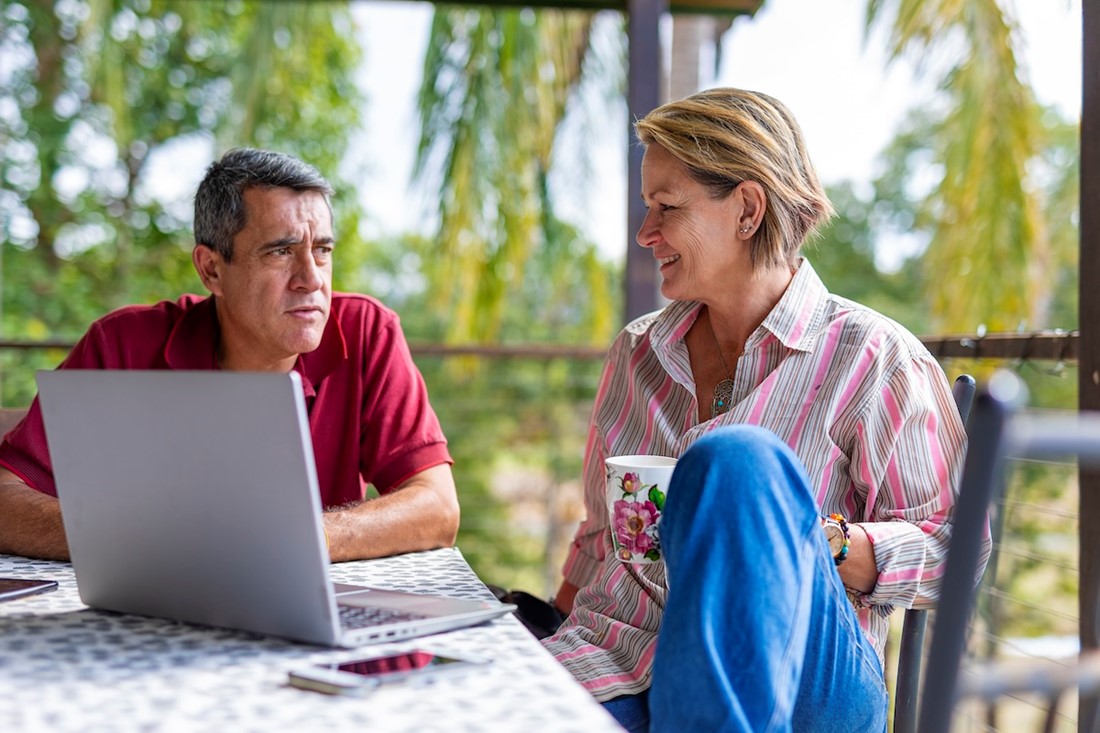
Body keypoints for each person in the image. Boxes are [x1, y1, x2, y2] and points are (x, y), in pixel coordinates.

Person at [542, 88, 984, 732]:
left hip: (806, 679)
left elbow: (957, 550)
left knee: (736, 462)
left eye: (666, 207)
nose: (645, 233)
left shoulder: (874, 358)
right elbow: (599, 542)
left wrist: (813, 537)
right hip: (619, 660)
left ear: (747, 209)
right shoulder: (636, 355)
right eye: (647, 207)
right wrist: (538, 637)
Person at [0, 148, 459, 563]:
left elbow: (437, 507)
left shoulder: (367, 332)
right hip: (159, 631)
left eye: (322, 250)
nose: (312, 278)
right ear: (212, 269)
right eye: (281, 251)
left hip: (323, 640)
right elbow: (5, 499)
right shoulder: (121, 345)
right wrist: (137, 539)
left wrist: (298, 538)